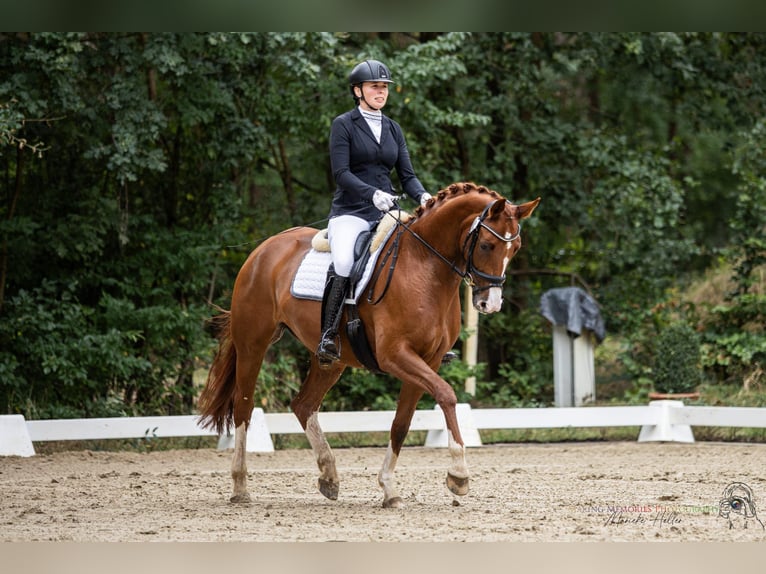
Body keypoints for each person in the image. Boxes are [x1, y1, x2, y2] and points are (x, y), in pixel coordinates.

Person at [316, 59, 432, 366]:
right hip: (351, 212)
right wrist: (372, 194)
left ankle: (430, 334)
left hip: (387, 213)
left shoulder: (393, 128)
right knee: (343, 262)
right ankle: (328, 335)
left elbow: (407, 175)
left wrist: (424, 196)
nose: (381, 92)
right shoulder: (344, 124)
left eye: (384, 87)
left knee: (420, 255)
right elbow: (341, 173)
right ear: (358, 91)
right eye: (374, 87)